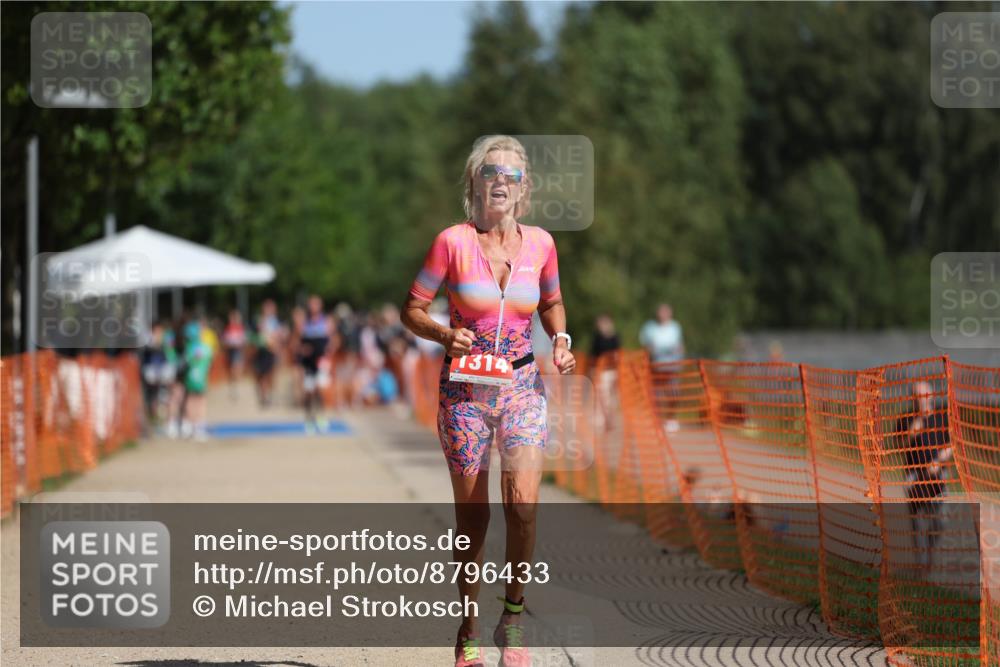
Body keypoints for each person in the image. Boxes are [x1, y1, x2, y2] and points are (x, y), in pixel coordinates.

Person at [401, 135, 575, 667]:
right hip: (464, 392)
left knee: (523, 504)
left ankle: (514, 619)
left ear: (525, 189)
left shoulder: (542, 244)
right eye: (491, 171)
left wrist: (561, 338)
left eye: (512, 174)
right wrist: (440, 334)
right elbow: (411, 309)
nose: (501, 180)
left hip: (522, 386)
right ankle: (470, 625)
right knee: (473, 516)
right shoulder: (451, 243)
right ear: (474, 182)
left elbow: (552, 302)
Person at [895, 381, 953, 568]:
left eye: (925, 395)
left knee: (941, 519)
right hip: (914, 476)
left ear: (932, 395)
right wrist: (916, 425)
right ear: (913, 399)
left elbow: (951, 445)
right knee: (918, 520)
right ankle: (922, 564)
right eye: (918, 396)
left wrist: (939, 461)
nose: (922, 400)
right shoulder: (906, 419)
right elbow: (898, 445)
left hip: (937, 474)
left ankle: (929, 551)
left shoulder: (942, 417)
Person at [299, 295, 331, 432]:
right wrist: (302, 350)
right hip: (308, 362)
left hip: (321, 360)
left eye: (316, 304)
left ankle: (321, 416)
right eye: (311, 304)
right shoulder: (304, 322)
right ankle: (308, 418)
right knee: (308, 392)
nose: (313, 307)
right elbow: (297, 342)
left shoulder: (326, 321)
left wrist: (328, 352)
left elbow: (332, 340)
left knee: (320, 389)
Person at [590, 314, 620, 433]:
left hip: (612, 371)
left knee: (611, 398)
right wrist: (592, 369)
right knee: (602, 396)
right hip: (600, 371)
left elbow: (618, 354)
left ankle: (610, 419)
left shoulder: (615, 338)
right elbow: (593, 355)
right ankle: (602, 420)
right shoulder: (597, 338)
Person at [252, 299, 282, 407]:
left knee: (271, 374)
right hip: (262, 351)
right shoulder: (260, 320)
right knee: (262, 375)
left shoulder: (275, 321)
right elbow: (257, 334)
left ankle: (269, 395)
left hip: (272, 351)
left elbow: (278, 335)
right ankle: (264, 396)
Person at [222, 310, 247, 399]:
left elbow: (243, 340)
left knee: (237, 370)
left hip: (238, 351)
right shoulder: (228, 328)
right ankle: (233, 388)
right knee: (232, 371)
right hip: (231, 351)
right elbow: (225, 340)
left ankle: (236, 388)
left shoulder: (240, 328)